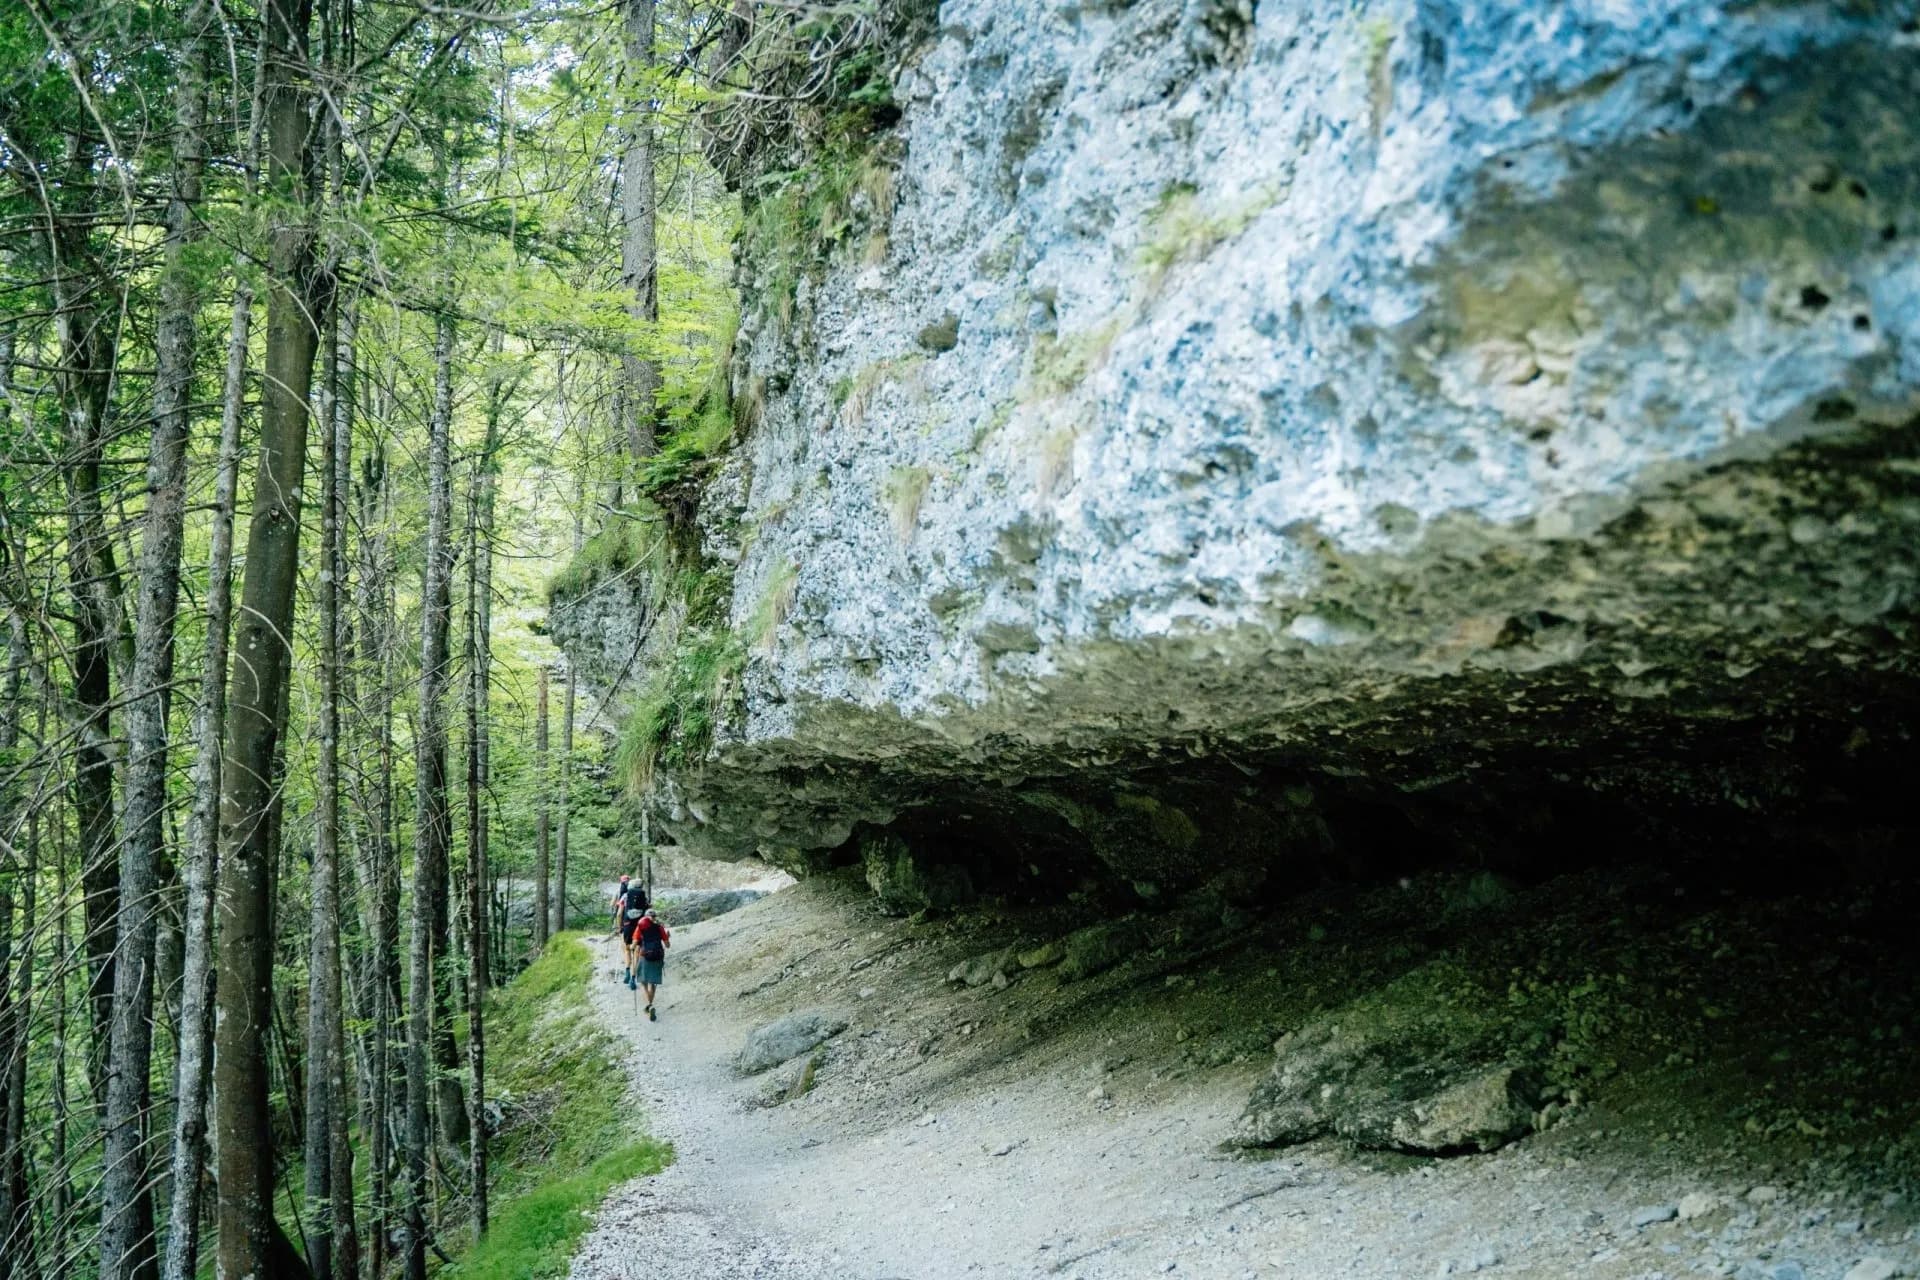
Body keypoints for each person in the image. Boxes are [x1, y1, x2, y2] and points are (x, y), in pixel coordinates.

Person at [632, 908, 670, 1019]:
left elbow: (634, 945)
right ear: (655, 917)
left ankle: (649, 1005)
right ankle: (650, 1005)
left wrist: (631, 947)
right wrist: (668, 937)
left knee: (643, 982)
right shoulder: (660, 928)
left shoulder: (640, 928)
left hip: (645, 957)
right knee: (652, 983)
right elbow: (667, 945)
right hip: (658, 957)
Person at [613, 876, 649, 986]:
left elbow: (619, 914)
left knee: (627, 950)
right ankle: (633, 979)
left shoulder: (625, 896)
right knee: (637, 952)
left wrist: (619, 927)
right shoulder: (644, 897)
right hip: (640, 927)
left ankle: (627, 972)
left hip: (628, 925)